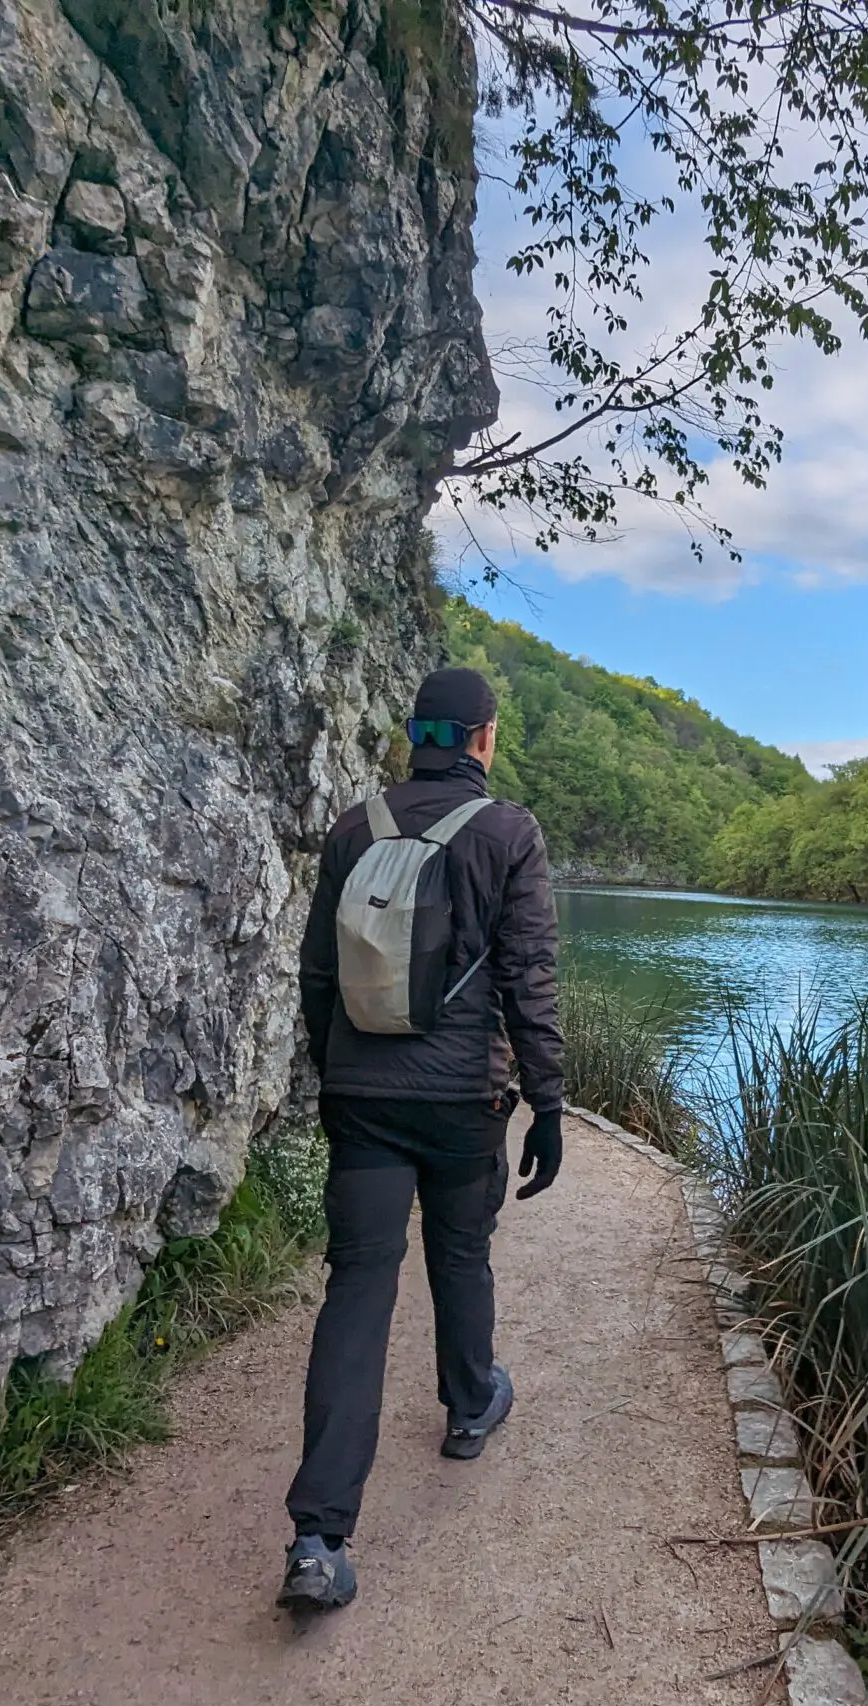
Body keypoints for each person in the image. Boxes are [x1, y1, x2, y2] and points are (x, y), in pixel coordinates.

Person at [277, 664, 566, 1612]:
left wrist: (334, 1083)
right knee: (460, 1254)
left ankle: (319, 1541)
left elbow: (319, 973)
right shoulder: (509, 834)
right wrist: (549, 1105)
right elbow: (529, 982)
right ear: (483, 738)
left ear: (414, 735)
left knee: (358, 1287)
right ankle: (469, 1403)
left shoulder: (355, 829)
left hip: (362, 1093)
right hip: (460, 1103)